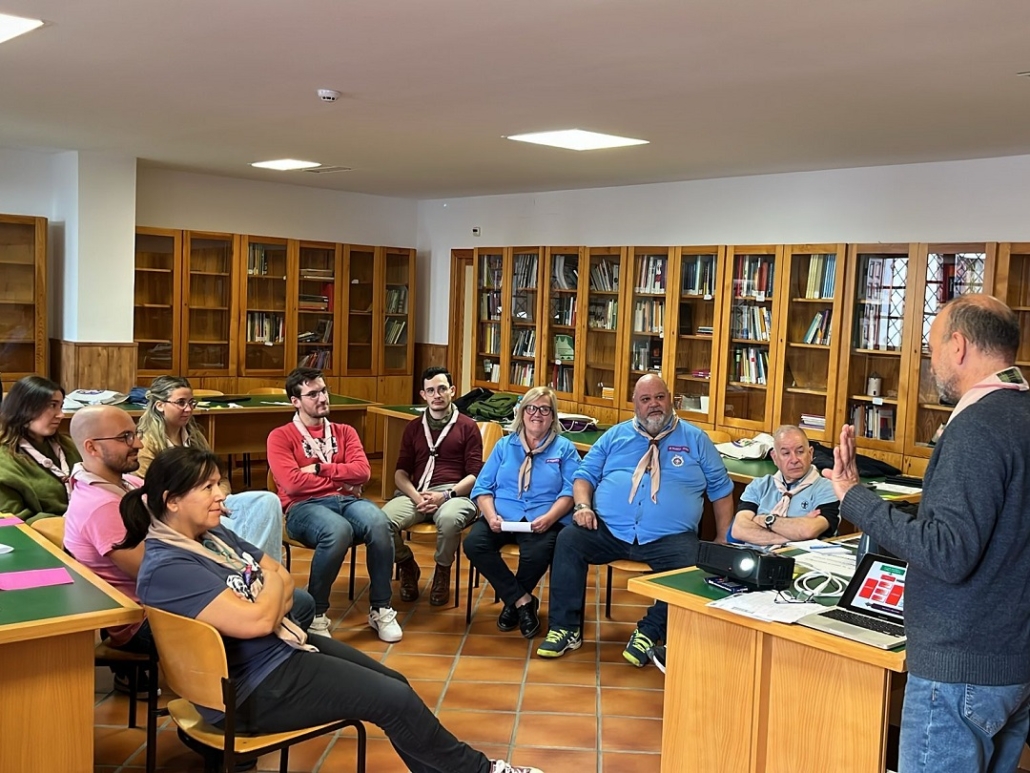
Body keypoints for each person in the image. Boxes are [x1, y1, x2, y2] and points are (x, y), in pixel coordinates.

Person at [122, 445, 543, 773]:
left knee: (395, 683)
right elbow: (260, 616)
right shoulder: (169, 566)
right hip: (248, 691)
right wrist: (272, 588)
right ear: (171, 501)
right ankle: (480, 770)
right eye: (208, 488)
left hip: (273, 657)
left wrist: (272, 587)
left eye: (219, 484)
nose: (221, 496)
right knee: (394, 699)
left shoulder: (210, 537)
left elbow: (279, 575)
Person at [825, 294, 1030, 773]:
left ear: (958, 346)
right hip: (1012, 662)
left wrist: (854, 498)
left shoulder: (977, 426)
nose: (930, 360)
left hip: (960, 669)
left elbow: (947, 553)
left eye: (932, 347)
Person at [63, 405, 315, 696]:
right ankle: (250, 687)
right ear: (92, 447)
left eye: (135, 434)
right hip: (149, 620)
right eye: (125, 437)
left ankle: (273, 669)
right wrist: (248, 580)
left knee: (284, 598)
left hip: (183, 588)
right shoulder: (101, 507)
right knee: (290, 606)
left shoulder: (126, 481)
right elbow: (161, 575)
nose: (139, 443)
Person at [536, 374, 735, 666]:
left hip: (669, 538)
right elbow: (584, 476)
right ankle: (565, 628)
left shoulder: (696, 440)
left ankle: (650, 632)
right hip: (610, 531)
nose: (654, 404)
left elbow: (721, 490)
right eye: (646, 399)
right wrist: (582, 506)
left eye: (660, 397)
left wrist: (722, 537)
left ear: (671, 400)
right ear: (635, 404)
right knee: (568, 540)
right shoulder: (615, 436)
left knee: (696, 561)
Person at [267, 367, 401, 642]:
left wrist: (319, 468)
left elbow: (363, 472)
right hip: (302, 507)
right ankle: (315, 613)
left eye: (324, 391)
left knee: (380, 523)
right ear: (295, 401)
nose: (322, 398)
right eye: (313, 394)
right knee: (338, 530)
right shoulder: (280, 436)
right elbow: (292, 484)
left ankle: (381, 608)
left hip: (347, 500)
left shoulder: (345, 432)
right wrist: (341, 479)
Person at [464, 386, 579, 638]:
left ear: (553, 416)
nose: (537, 414)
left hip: (543, 518)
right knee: (474, 544)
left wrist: (550, 518)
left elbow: (571, 491)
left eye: (544, 409)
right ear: (522, 412)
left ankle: (513, 603)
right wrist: (490, 515)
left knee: (538, 553)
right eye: (531, 408)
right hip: (501, 515)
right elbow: (483, 486)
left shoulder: (565, 448)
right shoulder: (504, 445)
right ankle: (522, 601)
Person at [136, 376, 283, 562]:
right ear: (159, 405)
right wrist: (206, 500)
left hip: (213, 500)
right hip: (181, 511)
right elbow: (150, 493)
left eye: (191, 402)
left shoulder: (195, 436)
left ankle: (256, 567)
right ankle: (246, 567)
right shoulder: (146, 443)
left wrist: (218, 497)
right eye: (181, 403)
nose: (188, 409)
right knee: (231, 527)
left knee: (267, 501)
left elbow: (221, 478)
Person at [383, 366, 483, 606]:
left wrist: (445, 496)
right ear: (423, 395)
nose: (437, 395)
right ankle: (406, 564)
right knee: (379, 522)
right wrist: (416, 497)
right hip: (416, 493)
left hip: (454, 493)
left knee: (448, 520)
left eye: (442, 389)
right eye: (431, 391)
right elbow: (400, 473)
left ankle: (442, 571)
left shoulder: (468, 426)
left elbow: (475, 475)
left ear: (452, 391)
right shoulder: (413, 427)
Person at [729, 424, 839, 546]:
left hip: (797, 557)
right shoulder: (759, 486)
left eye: (800, 452)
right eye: (786, 453)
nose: (794, 460)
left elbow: (808, 531)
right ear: (774, 457)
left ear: (810, 453)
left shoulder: (827, 489)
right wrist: (797, 535)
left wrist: (764, 520)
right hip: (754, 555)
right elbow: (738, 530)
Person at [0, 375, 81, 523]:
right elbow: (11, 519)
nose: (61, 415)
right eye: (52, 405)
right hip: (44, 532)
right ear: (24, 408)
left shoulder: (68, 445)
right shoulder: (5, 460)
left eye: (61, 406)